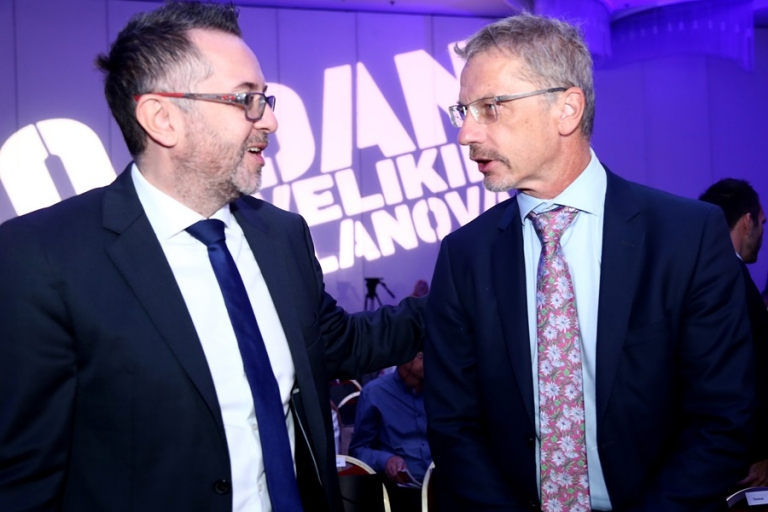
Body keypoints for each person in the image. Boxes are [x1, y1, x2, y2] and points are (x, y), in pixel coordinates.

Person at [0, 3, 423, 512]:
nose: (271, 120)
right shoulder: (44, 257)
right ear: (162, 118)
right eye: (247, 99)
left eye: (266, 99)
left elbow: (339, 343)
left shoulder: (281, 235)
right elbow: (24, 478)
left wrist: (467, 289)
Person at [424, 12, 754, 512]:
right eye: (463, 111)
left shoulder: (687, 238)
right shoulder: (464, 256)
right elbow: (454, 428)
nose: (466, 133)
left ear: (567, 109)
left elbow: (722, 418)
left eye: (489, 107)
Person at [700, 178, 768, 488]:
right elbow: (751, 373)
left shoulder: (694, 278)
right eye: (762, 223)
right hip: (739, 460)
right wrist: (763, 451)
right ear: (747, 222)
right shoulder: (734, 282)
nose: (763, 233)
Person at [349, 351, 431, 512]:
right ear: (403, 357)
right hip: (401, 494)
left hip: (444, 486)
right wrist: (386, 460)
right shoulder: (375, 393)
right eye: (421, 355)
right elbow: (358, 451)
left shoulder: (440, 390)